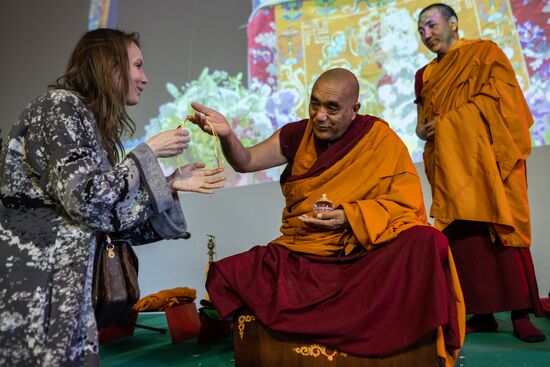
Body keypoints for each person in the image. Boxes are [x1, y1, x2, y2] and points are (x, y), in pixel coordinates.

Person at [188, 68, 465, 366]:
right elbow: (246, 161)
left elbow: (405, 206)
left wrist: (350, 216)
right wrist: (228, 135)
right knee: (233, 272)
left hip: (360, 252)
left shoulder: (379, 139)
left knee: (427, 240)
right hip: (306, 251)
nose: (320, 115)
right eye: (314, 104)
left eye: (332, 108)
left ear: (354, 110)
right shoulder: (297, 135)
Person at [0, 28, 224, 366]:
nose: (145, 78)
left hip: (63, 288)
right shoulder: (60, 108)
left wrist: (170, 184)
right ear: (110, 66)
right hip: (35, 288)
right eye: (137, 65)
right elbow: (87, 201)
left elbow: (106, 219)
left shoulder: (82, 117)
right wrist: (147, 152)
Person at [415, 3, 545, 342]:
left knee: (502, 231)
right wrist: (428, 131)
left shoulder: (484, 53)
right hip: (450, 164)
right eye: (421, 30)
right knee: (463, 240)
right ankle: (482, 314)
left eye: (431, 25)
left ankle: (520, 315)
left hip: (488, 161)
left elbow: (506, 101)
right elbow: (420, 127)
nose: (426, 35)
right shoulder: (424, 76)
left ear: (453, 23)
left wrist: (449, 124)